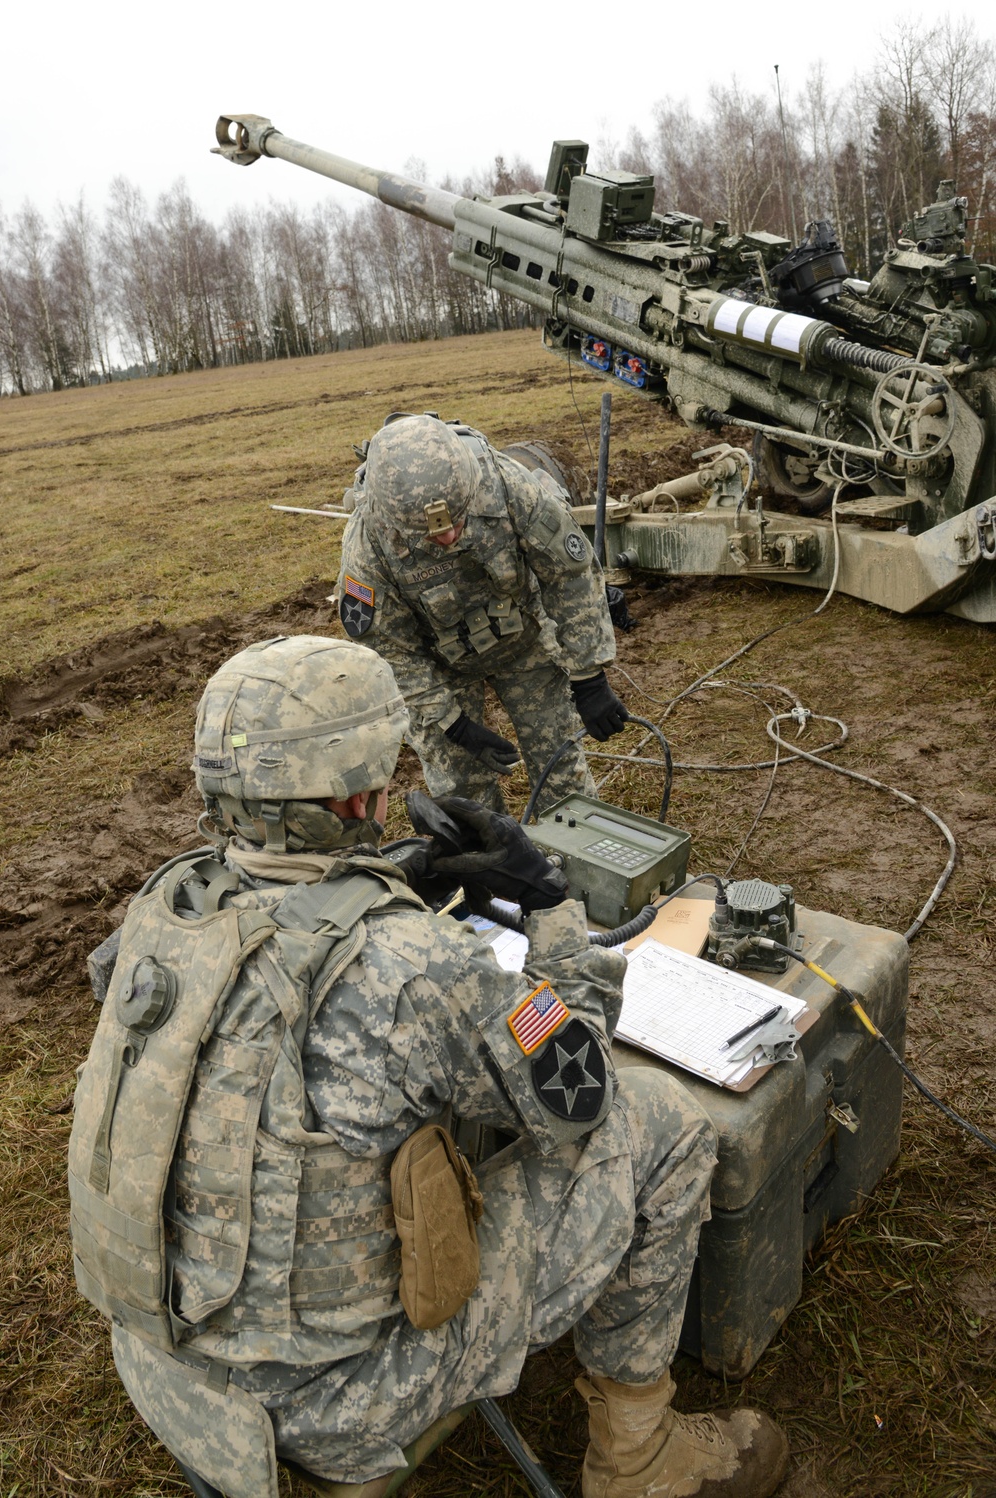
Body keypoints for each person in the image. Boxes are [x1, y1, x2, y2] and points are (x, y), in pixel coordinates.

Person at [68, 635, 788, 1498]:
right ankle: (641, 1459)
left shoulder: (160, 909)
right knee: (663, 1126)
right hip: (330, 1403)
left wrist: (380, 877)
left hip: (161, 1358)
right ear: (360, 793)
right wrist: (551, 908)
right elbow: (578, 1089)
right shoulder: (415, 971)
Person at [337, 412, 630, 815]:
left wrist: (589, 676)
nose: (449, 536)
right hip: (440, 669)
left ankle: (576, 869)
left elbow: (570, 574)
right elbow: (389, 653)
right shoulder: (367, 547)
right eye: (432, 533)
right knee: (461, 793)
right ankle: (488, 872)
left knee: (561, 770)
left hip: (523, 641)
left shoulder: (508, 484)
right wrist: (454, 723)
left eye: (456, 520)